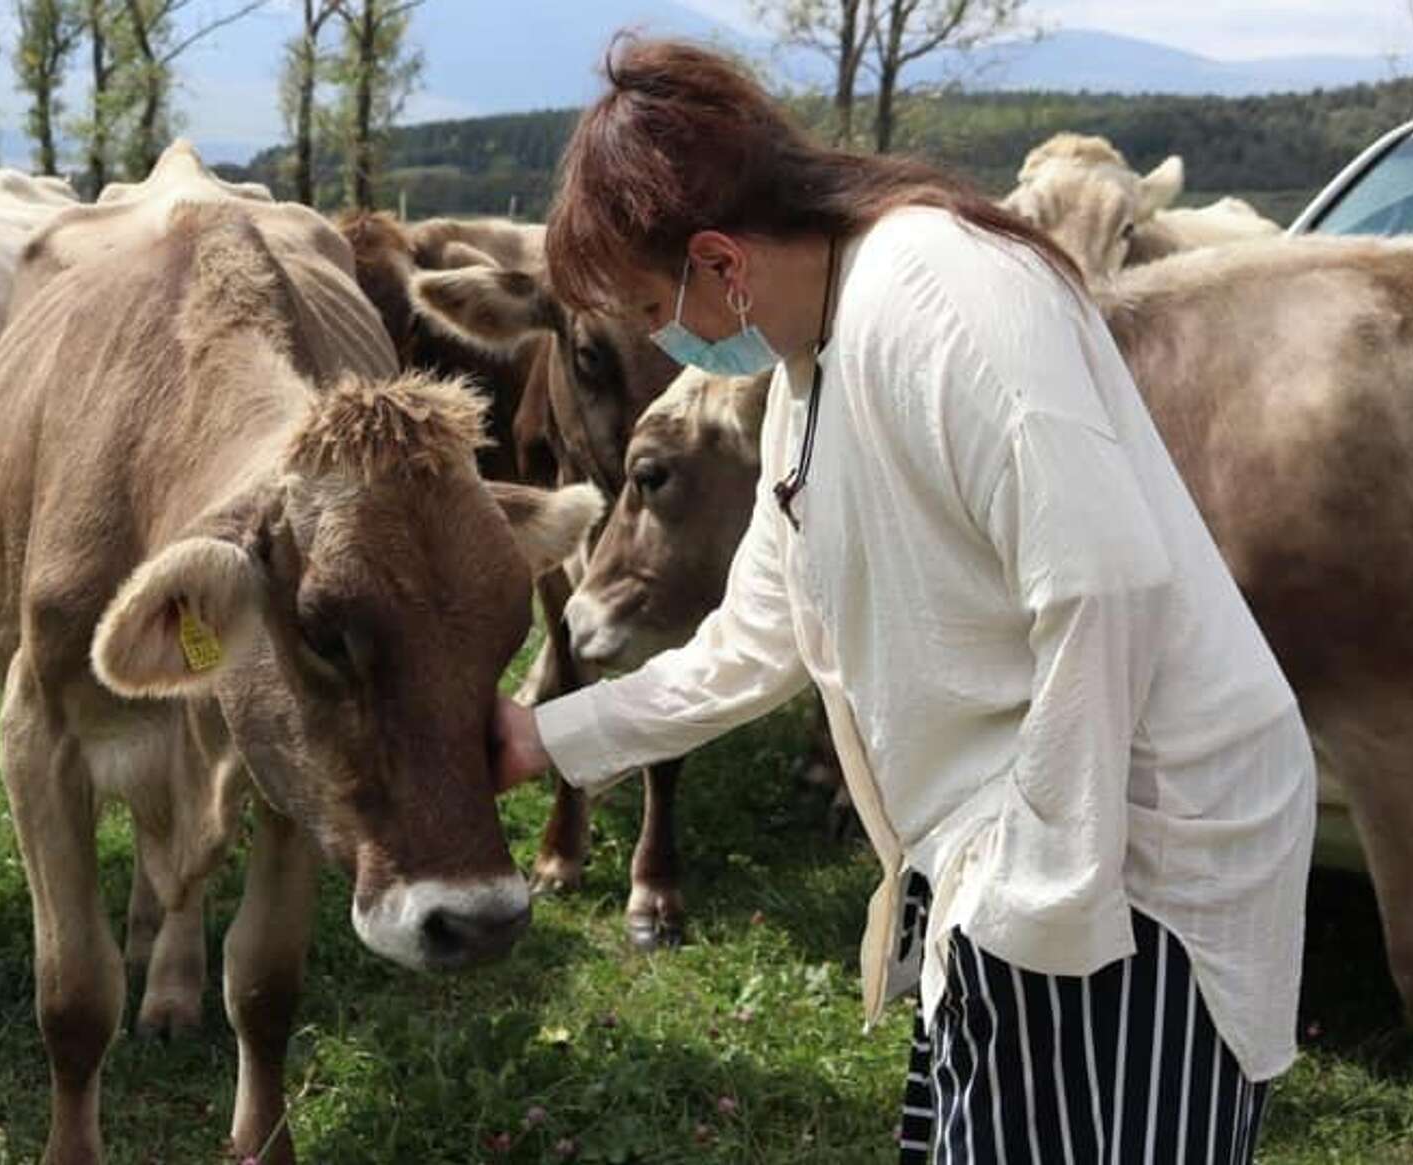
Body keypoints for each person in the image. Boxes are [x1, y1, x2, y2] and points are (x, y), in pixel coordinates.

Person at [490, 38, 1314, 1165]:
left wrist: (1038, 913)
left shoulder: (945, 294)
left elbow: (1099, 583)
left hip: (1129, 868)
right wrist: (543, 736)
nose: (658, 341)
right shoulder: (802, 374)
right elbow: (755, 638)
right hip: (1008, 860)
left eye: (649, 308)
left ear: (720, 263)